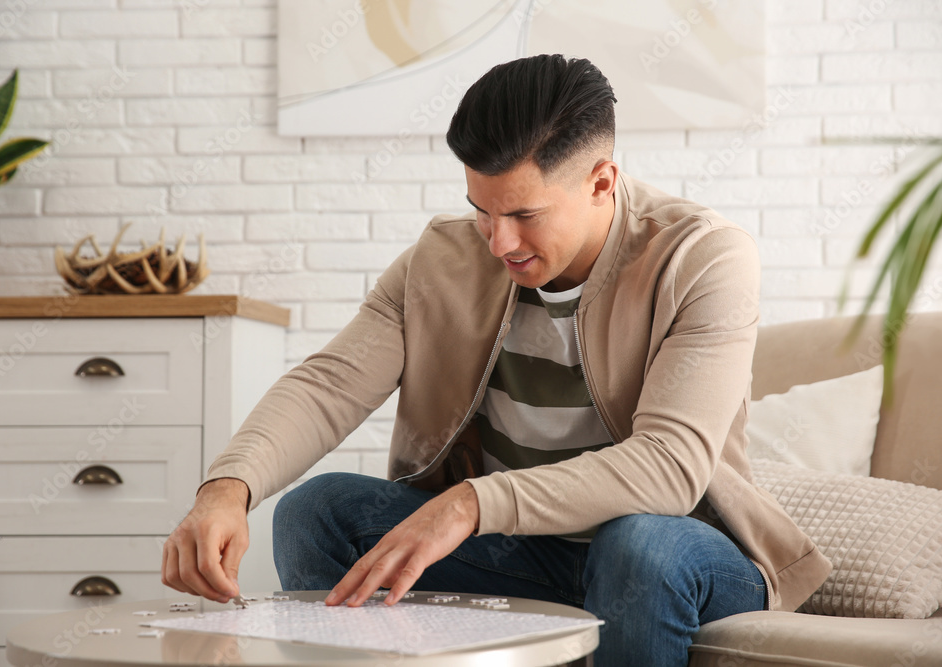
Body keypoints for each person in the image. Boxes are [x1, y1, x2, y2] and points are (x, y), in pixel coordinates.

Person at [162, 54, 831, 666]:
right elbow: (330, 383)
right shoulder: (442, 259)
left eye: (523, 213)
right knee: (316, 510)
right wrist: (228, 488)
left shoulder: (703, 257)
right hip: (519, 553)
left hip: (680, 551)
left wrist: (470, 503)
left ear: (602, 181)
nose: (498, 241)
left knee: (639, 546)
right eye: (481, 210)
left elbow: (670, 467)